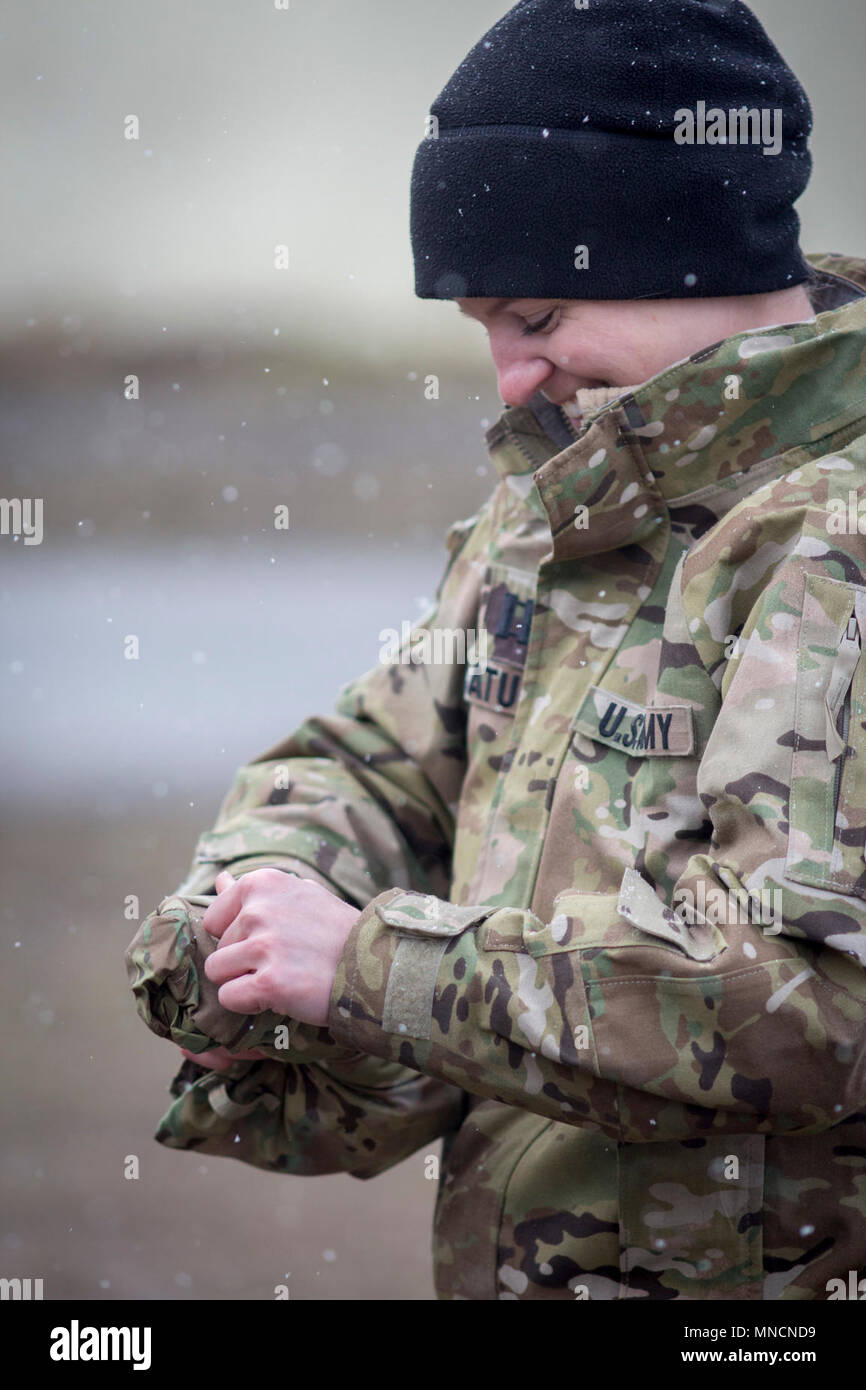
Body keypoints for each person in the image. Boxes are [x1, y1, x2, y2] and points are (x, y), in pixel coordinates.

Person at [126, 0, 866, 1300]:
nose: (508, 378)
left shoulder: (835, 545)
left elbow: (809, 1010)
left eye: (534, 316)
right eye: (481, 327)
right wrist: (245, 916)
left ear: (683, 253)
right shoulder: (560, 508)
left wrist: (372, 968)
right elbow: (374, 761)